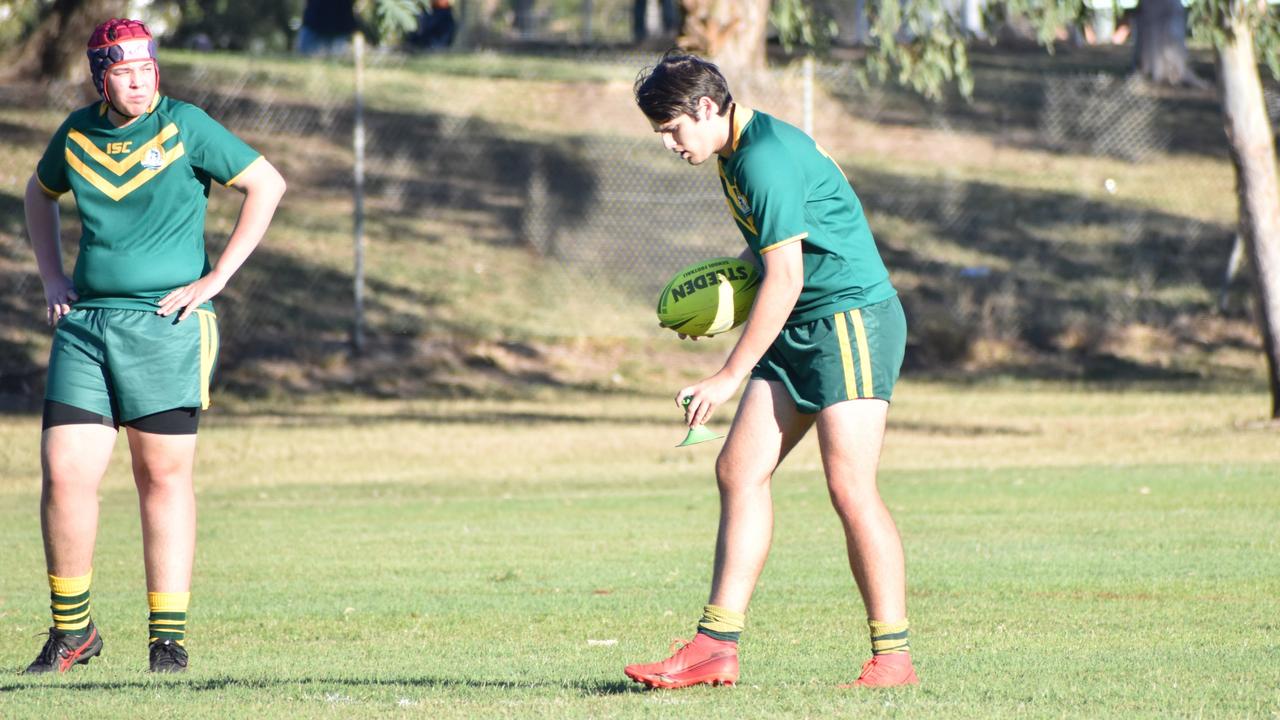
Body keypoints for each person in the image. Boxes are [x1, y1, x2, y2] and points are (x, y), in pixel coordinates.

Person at [623, 52, 917, 689]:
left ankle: (892, 659)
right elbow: (765, 255)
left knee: (849, 485)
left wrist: (727, 375)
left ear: (706, 107)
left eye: (673, 129)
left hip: (851, 320)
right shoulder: (734, 153)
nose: (670, 144)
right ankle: (714, 648)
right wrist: (723, 294)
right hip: (802, 319)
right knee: (738, 469)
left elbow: (787, 277)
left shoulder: (763, 156)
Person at [22, 18, 285, 674]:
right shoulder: (78, 132)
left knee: (160, 476)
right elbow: (38, 191)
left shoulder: (184, 126)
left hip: (166, 327)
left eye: (146, 68)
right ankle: (72, 633)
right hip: (87, 328)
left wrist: (216, 277)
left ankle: (166, 641)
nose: (138, 81)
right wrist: (53, 275)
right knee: (64, 473)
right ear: (99, 77)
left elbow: (266, 184)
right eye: (123, 71)